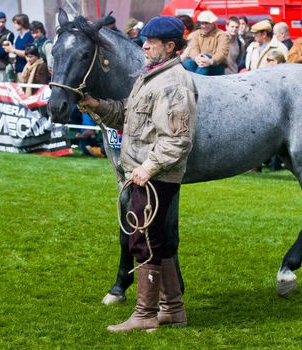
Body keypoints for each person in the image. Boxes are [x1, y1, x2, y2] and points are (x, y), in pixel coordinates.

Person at [77, 16, 196, 333]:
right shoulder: (152, 77)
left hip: (154, 176)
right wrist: (96, 105)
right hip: (147, 174)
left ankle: (145, 315)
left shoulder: (172, 84)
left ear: (169, 46)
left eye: (151, 41)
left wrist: (148, 167)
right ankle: (172, 310)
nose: (143, 45)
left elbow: (177, 140)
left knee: (142, 240)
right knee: (159, 242)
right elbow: (128, 114)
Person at [182, 10, 229, 76]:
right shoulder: (194, 34)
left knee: (205, 58)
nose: (204, 26)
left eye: (206, 23)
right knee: (187, 63)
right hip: (198, 62)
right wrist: (197, 58)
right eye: (202, 23)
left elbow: (222, 53)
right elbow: (193, 49)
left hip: (216, 65)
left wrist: (210, 61)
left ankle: (197, 83)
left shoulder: (222, 35)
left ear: (213, 22)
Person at [2, 14, 33, 82]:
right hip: (19, 70)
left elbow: (28, 53)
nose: (14, 25)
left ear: (21, 23)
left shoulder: (30, 36)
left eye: (15, 23)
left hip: (27, 71)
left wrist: (12, 50)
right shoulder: (18, 37)